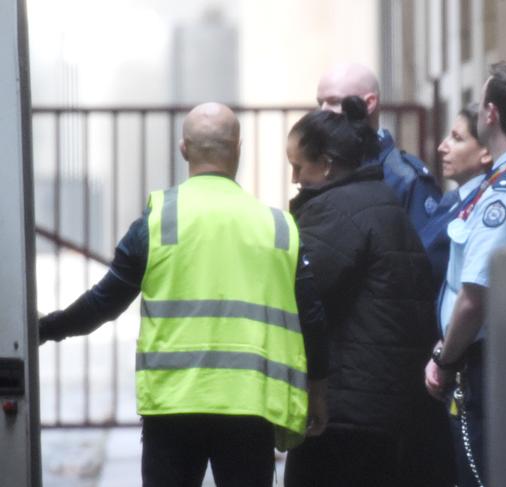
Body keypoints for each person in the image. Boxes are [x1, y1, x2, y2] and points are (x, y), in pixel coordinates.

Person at [38, 102, 328, 487]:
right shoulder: (277, 227)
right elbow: (312, 319)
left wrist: (42, 329)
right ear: (238, 149)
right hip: (250, 406)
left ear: (183, 149)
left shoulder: (159, 222)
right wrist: (319, 394)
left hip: (173, 407)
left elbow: (103, 304)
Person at [283, 96, 437, 487]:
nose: (294, 178)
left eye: (298, 166)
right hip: (386, 403)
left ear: (327, 163)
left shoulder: (334, 212)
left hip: (347, 409)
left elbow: (303, 297)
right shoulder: (379, 199)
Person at [317, 62, 456, 486]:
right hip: (341, 369)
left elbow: (418, 279)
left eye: (334, 102)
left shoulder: (404, 181)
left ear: (369, 103)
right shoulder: (328, 169)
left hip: (385, 375)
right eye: (319, 101)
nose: (324, 111)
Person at [425, 63, 506, 487]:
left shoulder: (502, 192)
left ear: (491, 115)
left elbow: (474, 296)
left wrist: (445, 359)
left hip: (483, 364)